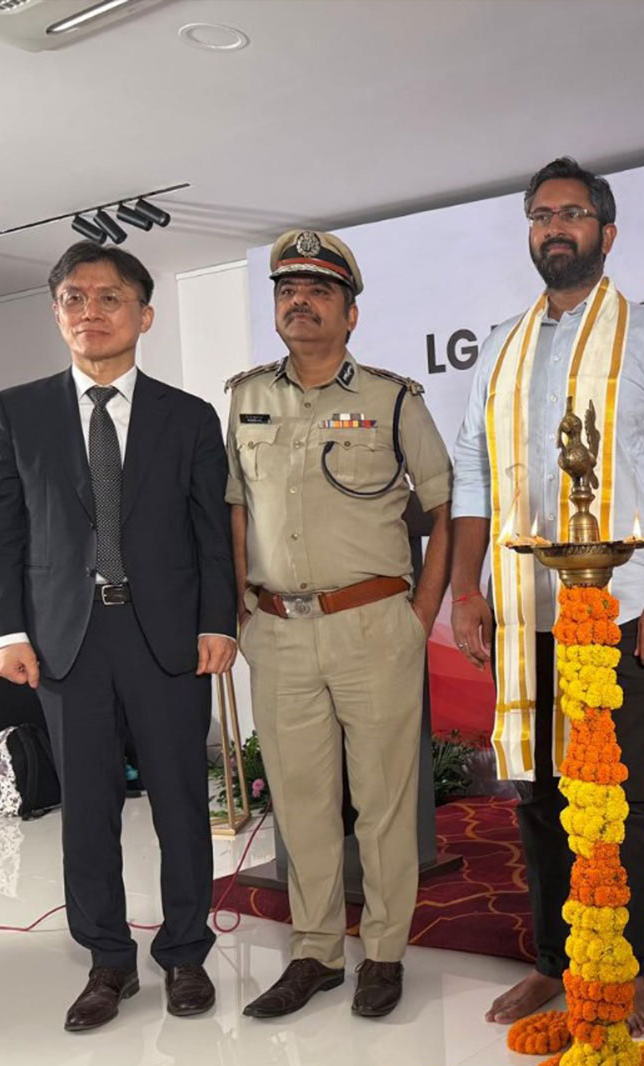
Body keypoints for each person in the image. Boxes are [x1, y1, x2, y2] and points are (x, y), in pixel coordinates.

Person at [449, 157, 644, 1037]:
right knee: (538, 793)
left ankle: (620, 964)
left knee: (621, 796)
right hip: (526, 614)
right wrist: (462, 589)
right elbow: (475, 473)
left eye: (574, 213)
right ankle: (560, 963)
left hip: (630, 607)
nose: (557, 227)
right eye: (542, 215)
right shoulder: (500, 347)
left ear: (607, 231)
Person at [0, 241, 235, 1031]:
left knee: (182, 803)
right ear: (57, 314)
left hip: (166, 639)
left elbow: (210, 533)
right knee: (85, 808)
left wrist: (219, 622)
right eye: (74, 298)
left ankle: (186, 952)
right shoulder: (14, 411)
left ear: (143, 315)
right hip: (65, 643)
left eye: (109, 298)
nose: (90, 311)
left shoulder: (187, 417)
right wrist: (7, 632)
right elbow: (0, 533)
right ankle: (107, 963)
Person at [230, 230, 452, 1020]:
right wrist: (238, 611)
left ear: (350, 314)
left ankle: (385, 952)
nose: (301, 301)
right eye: (288, 288)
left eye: (319, 291)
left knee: (385, 797)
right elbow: (233, 509)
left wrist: (422, 612)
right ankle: (316, 953)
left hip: (372, 625)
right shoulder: (246, 398)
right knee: (299, 799)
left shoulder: (392, 400)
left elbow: (441, 504)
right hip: (278, 632)